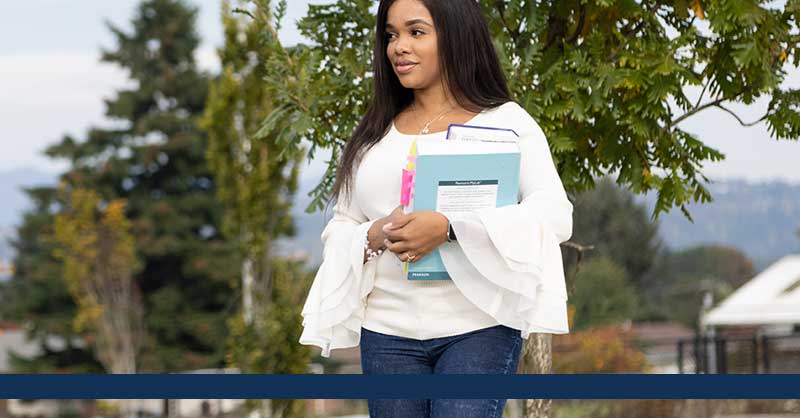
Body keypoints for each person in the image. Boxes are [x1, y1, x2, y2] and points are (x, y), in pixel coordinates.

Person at [299, 0, 573, 416]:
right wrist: (373, 236)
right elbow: (342, 226)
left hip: (479, 327)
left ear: (455, 35)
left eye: (416, 32)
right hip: (386, 332)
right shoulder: (373, 136)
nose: (398, 47)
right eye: (391, 35)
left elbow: (555, 214)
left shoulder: (506, 122)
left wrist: (450, 227)